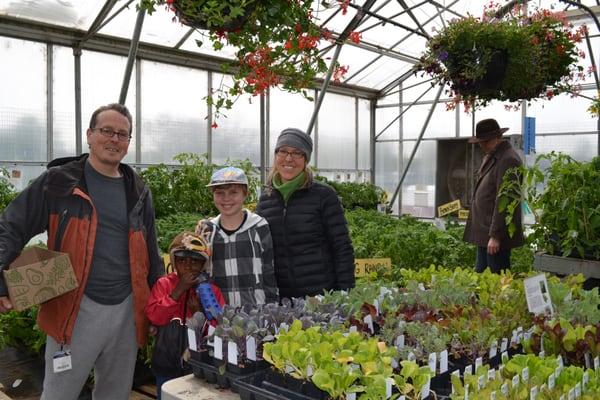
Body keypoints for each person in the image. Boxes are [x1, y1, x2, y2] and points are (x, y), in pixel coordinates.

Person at [0, 103, 164, 400]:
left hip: (126, 311)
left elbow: (151, 250)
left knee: (114, 393)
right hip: (74, 307)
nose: (114, 139)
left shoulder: (138, 190)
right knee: (59, 394)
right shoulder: (59, 182)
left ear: (128, 143)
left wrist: (159, 303)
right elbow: (11, 226)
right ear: (89, 135)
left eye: (122, 134)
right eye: (106, 131)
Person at [255, 128, 355, 299]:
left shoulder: (323, 195)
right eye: (283, 151)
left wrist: (345, 293)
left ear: (306, 159)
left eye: (297, 153)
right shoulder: (266, 198)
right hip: (281, 298)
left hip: (321, 296)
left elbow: (342, 247)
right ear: (275, 155)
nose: (289, 158)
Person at [145, 231, 225, 399]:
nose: (188, 266)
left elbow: (220, 328)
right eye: (182, 260)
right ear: (174, 262)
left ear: (203, 264)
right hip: (166, 362)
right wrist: (177, 291)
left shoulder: (212, 291)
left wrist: (198, 313)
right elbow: (154, 316)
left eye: (195, 261)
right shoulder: (164, 284)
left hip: (200, 365)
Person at [205, 166, 278, 307]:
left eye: (233, 192)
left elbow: (269, 270)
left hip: (255, 311)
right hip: (220, 313)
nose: (226, 199)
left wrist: (272, 305)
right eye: (220, 193)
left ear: (245, 194)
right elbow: (202, 274)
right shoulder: (209, 231)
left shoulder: (259, 226)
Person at [463, 118, 525, 273]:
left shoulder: (508, 159)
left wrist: (496, 236)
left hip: (495, 235)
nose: (481, 145)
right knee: (482, 277)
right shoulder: (493, 156)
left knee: (496, 279)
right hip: (485, 231)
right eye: (480, 141)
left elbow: (506, 200)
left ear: (497, 138)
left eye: (485, 141)